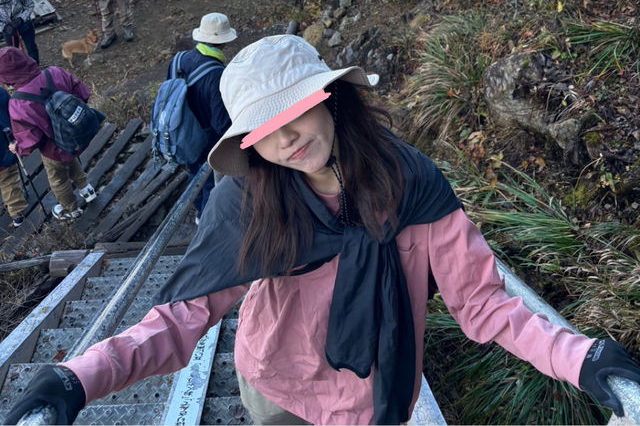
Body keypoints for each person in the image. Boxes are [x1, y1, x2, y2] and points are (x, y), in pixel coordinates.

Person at [5, 34, 640, 426]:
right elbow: (181, 319)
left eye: (294, 112)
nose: (283, 139)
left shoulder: (409, 187)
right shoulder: (248, 200)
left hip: (379, 398)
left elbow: (484, 304)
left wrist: (583, 360)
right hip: (277, 393)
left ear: (329, 97)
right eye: (262, 128)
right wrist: (77, 378)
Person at [0, 47, 98, 222]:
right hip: (74, 136)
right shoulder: (54, 72)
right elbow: (83, 92)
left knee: (58, 179)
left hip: (53, 148)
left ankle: (71, 210)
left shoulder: (19, 103)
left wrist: (17, 148)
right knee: (71, 158)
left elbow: (30, 139)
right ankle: (87, 189)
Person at [167, 12, 236, 224]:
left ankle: (198, 212)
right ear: (223, 43)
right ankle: (206, 221)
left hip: (181, 132)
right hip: (206, 138)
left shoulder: (178, 60)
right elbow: (220, 122)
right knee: (209, 182)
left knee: (194, 174)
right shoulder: (216, 73)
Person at [0, 87, 27, 227]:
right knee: (9, 180)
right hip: (4, 146)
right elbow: (12, 112)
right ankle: (17, 214)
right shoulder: (1, 92)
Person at [0, 0, 39, 64]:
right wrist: (4, 27)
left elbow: (30, 5)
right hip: (8, 29)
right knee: (13, 53)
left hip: (24, 24)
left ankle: (35, 67)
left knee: (31, 47)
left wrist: (21, 19)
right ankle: (19, 72)